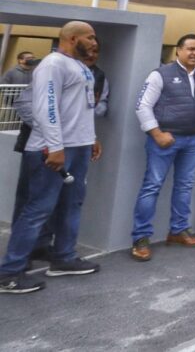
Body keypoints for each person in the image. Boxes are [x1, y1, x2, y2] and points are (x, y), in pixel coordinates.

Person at [0, 21, 102, 294]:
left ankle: (63, 258)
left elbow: (82, 110)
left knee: (71, 204)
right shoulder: (53, 64)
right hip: (53, 149)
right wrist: (55, 146)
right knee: (37, 210)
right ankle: (9, 273)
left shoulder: (80, 66)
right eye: (89, 37)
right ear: (71, 37)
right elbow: (46, 108)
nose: (94, 42)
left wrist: (90, 138)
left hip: (77, 147)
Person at [132, 34, 195, 262]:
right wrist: (156, 133)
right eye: (190, 49)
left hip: (193, 141)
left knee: (185, 186)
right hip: (165, 140)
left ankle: (178, 230)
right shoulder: (160, 74)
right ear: (178, 50)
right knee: (152, 186)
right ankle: (141, 238)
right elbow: (142, 106)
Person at [84, 39, 109, 117]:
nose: (91, 55)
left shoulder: (100, 77)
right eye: (87, 51)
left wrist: (94, 104)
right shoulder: (66, 70)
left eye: (95, 51)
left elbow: (102, 110)